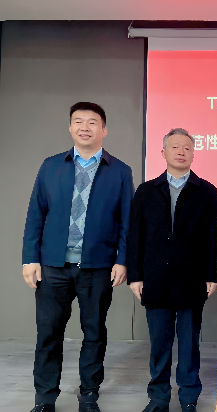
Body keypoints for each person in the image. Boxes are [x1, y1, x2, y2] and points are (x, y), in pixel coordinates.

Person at [22, 102, 134, 412]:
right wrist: (30, 258)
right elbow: (35, 215)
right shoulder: (51, 166)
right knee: (49, 334)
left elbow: (127, 222)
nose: (85, 127)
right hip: (53, 265)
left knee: (94, 333)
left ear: (104, 130)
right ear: (70, 128)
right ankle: (45, 399)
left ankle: (88, 396)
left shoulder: (120, 171)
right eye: (78, 121)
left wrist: (122, 260)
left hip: (98, 267)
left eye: (92, 122)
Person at [127, 128, 217, 412]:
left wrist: (211, 275)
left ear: (193, 154)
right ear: (163, 152)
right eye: (175, 147)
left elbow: (213, 237)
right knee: (159, 343)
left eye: (187, 148)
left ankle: (189, 397)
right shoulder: (146, 191)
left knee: (190, 343)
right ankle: (158, 398)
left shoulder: (207, 192)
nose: (181, 152)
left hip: (192, 278)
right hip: (154, 278)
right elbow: (135, 235)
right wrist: (135, 275)